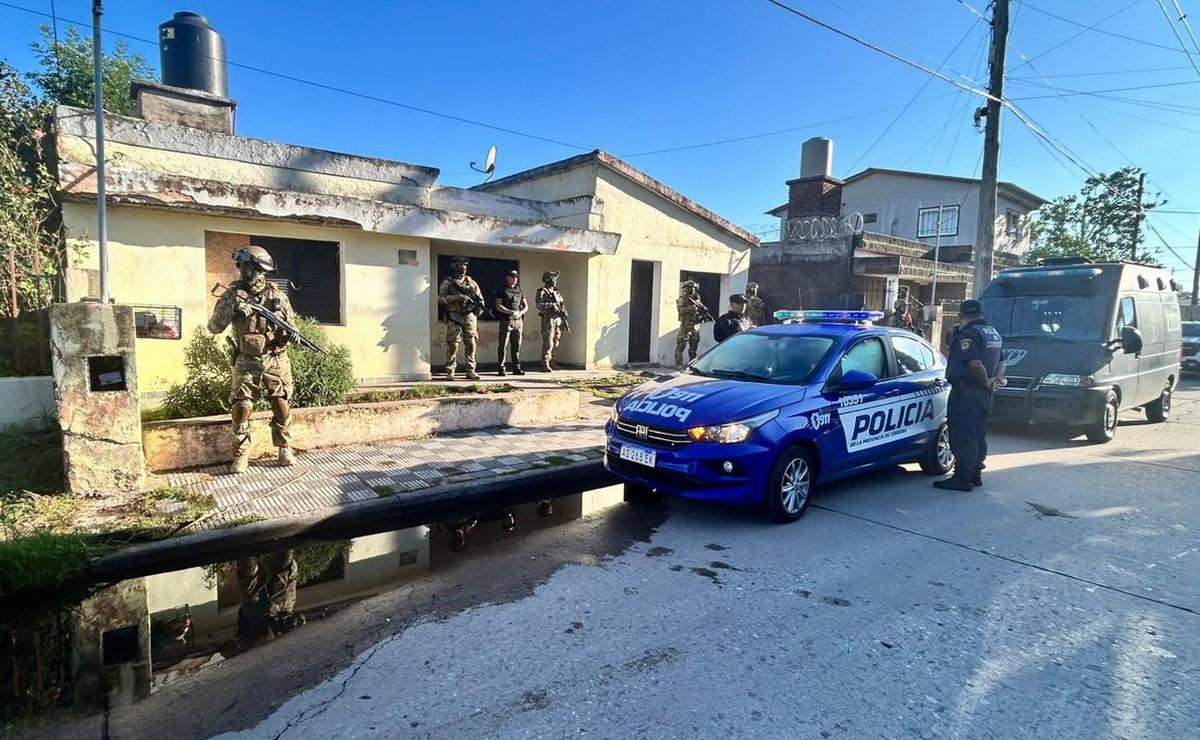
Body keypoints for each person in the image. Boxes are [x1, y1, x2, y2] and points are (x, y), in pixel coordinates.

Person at [208, 245, 296, 474]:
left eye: (251, 268)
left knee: (281, 404)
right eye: (243, 267)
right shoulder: (232, 295)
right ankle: (241, 454)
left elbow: (292, 328)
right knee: (241, 408)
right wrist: (235, 310)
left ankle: (284, 447)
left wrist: (290, 334)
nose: (246, 272)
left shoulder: (277, 296)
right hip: (246, 361)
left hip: (276, 359)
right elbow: (214, 327)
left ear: (262, 270)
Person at [934, 299, 1005, 492]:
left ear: (961, 316)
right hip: (984, 394)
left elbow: (974, 364)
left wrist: (985, 381)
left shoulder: (969, 334)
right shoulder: (993, 333)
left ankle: (963, 478)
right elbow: (1001, 362)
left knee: (963, 436)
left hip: (967, 392)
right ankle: (975, 474)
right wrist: (994, 381)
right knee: (978, 434)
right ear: (981, 314)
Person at [438, 257, 485, 380]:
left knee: (471, 343)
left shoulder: (471, 282)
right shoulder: (448, 282)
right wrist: (457, 297)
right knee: (453, 344)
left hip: (469, 316)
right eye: (460, 266)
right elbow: (441, 299)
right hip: (454, 315)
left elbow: (480, 299)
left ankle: (471, 370)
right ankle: (450, 370)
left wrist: (478, 307)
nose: (463, 269)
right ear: (455, 267)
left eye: (465, 266)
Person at [493, 269, 527, 377]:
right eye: (512, 277)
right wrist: (510, 312)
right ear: (507, 278)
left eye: (516, 277)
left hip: (518, 321)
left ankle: (516, 367)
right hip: (506, 320)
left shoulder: (519, 291)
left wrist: (520, 313)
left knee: (516, 346)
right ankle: (501, 368)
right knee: (503, 345)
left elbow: (526, 306)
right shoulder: (501, 290)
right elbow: (498, 306)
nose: (515, 279)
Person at [675, 280, 712, 367]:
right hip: (685, 326)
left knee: (693, 348)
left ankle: (692, 365)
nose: (693, 290)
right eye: (691, 288)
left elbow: (702, 308)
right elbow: (681, 310)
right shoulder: (683, 299)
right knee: (681, 345)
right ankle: (678, 364)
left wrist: (703, 311)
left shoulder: (697, 298)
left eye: (694, 288)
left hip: (695, 326)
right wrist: (692, 308)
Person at [536, 270, 567, 372]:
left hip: (557, 319)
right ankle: (545, 362)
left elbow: (561, 305)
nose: (555, 281)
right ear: (547, 279)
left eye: (556, 279)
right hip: (548, 318)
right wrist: (550, 305)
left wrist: (564, 312)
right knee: (548, 341)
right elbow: (539, 305)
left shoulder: (557, 292)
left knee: (556, 340)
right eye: (553, 278)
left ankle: (553, 361)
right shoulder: (542, 291)